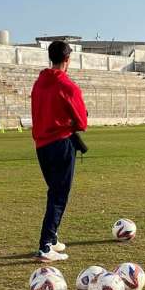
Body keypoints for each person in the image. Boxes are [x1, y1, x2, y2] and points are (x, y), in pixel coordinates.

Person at [31, 41, 87, 262]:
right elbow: (82, 122)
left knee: (54, 190)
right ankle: (45, 246)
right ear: (67, 60)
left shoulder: (38, 83)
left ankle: (52, 239)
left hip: (41, 145)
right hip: (61, 144)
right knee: (58, 194)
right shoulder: (68, 86)